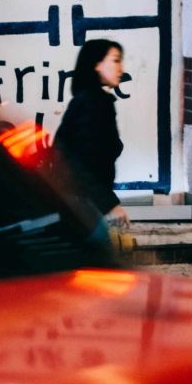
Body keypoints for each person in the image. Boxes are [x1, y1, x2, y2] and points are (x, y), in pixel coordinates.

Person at [54, 39, 133, 254]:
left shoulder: (91, 101)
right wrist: (109, 205)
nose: (122, 69)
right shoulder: (92, 103)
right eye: (115, 60)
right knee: (105, 259)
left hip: (80, 203)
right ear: (96, 64)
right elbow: (78, 163)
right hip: (80, 203)